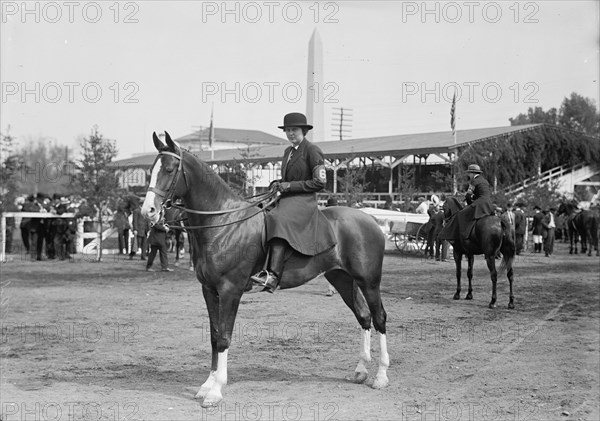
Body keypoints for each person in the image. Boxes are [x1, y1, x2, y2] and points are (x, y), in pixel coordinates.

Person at [251, 112, 336, 293]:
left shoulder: (312, 150)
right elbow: (287, 178)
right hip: (288, 196)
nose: (290, 133)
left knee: (277, 218)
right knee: (260, 211)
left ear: (303, 131)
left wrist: (289, 185)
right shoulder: (288, 152)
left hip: (304, 200)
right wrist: (278, 183)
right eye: (287, 130)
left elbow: (320, 182)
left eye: (294, 130)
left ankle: (272, 275)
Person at [438, 164, 494, 242]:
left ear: (473, 173)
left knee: (460, 214)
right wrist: (474, 198)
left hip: (480, 204)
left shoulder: (474, 181)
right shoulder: (485, 181)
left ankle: (462, 237)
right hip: (489, 204)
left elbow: (468, 196)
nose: (468, 175)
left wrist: (470, 204)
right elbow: (483, 194)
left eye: (469, 173)